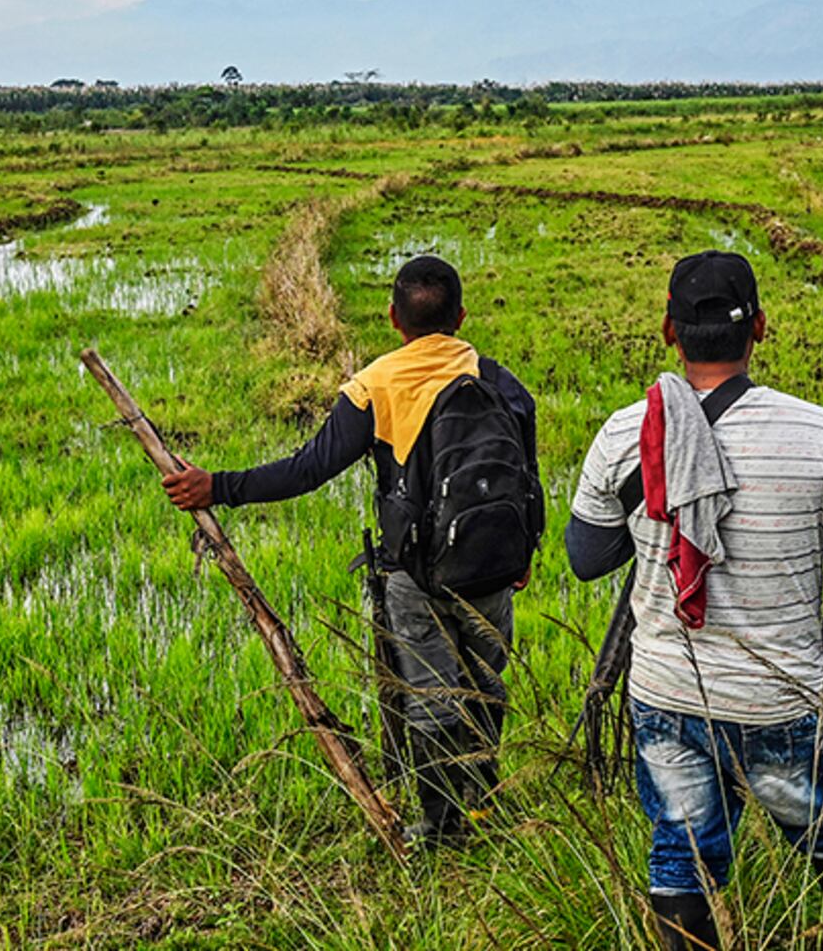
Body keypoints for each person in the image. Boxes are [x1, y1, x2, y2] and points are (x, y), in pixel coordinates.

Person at [160, 255, 543, 845]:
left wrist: (219, 487)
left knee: (432, 699)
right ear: (461, 316)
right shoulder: (498, 378)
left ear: (394, 318)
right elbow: (527, 475)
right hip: (495, 569)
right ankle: (484, 806)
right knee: (487, 688)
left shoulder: (376, 385)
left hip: (415, 576)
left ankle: (442, 830)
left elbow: (308, 469)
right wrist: (525, 554)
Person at [565, 251, 823, 951]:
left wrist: (654, 505)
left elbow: (586, 560)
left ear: (668, 331)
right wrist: (818, 672)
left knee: (681, 857)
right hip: (783, 697)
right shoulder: (822, 435)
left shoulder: (628, 434)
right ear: (761, 328)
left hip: (668, 696)